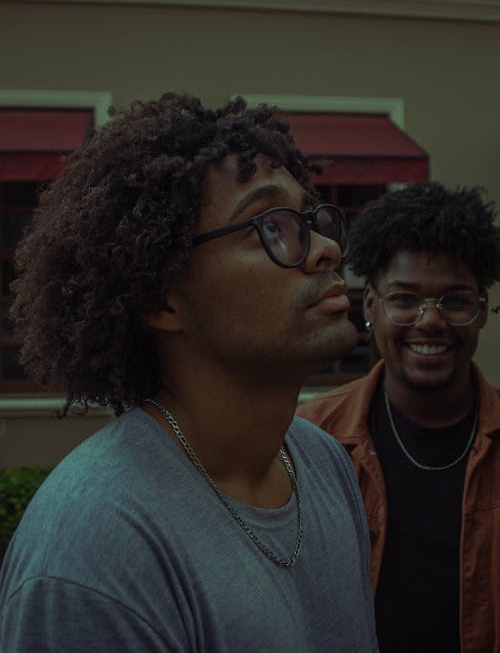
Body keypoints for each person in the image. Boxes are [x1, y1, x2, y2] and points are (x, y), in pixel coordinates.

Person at [0, 94, 378, 652]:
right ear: (161, 300)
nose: (324, 249)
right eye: (270, 226)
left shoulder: (322, 462)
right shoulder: (96, 547)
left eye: (310, 220)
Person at [299, 182, 500, 653]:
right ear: (370, 306)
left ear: (481, 312)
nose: (430, 320)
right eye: (405, 299)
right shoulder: (310, 439)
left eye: (454, 301)